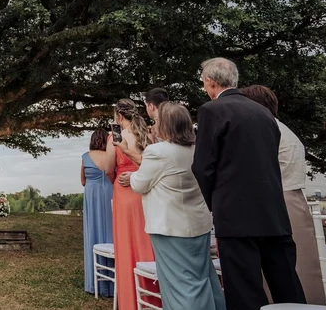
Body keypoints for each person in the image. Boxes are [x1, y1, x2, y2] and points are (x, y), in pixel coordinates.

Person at [192, 58, 305, 310]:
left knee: (244, 288)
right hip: (274, 212)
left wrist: (216, 203)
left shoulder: (212, 110)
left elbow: (203, 166)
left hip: (235, 214)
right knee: (286, 283)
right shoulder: (264, 113)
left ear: (210, 82)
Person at [129, 103, 225, 310]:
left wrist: (132, 175)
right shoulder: (198, 150)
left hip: (170, 227)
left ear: (165, 125)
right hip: (198, 224)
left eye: (157, 121)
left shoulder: (157, 152)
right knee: (204, 278)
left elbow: (139, 184)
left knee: (179, 285)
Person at [241, 85, 325, 305]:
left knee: (279, 267)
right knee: (302, 264)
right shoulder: (286, 130)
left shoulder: (266, 131)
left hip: (276, 200)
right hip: (295, 200)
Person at [108, 98, 156, 310]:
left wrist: (116, 179)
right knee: (146, 241)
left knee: (127, 243)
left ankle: (130, 301)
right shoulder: (147, 135)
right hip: (145, 192)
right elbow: (153, 165)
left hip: (124, 192)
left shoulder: (115, 138)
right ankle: (152, 296)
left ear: (119, 116)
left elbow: (108, 168)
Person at [81, 129, 114, 296]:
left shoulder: (85, 157)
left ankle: (94, 283)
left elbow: (82, 181)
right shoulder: (111, 155)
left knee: (92, 231)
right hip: (110, 193)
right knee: (111, 232)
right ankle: (113, 282)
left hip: (92, 196)